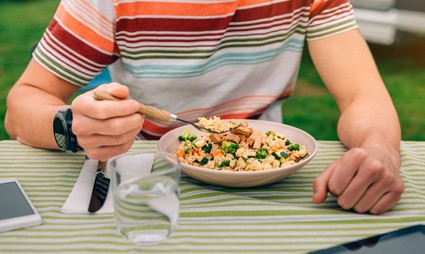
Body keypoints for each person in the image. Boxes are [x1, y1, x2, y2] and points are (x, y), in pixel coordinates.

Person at [5, 0, 404, 214]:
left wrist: (378, 149)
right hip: (150, 182)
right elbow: (22, 106)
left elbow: (362, 95)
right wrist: (73, 126)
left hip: (274, 186)